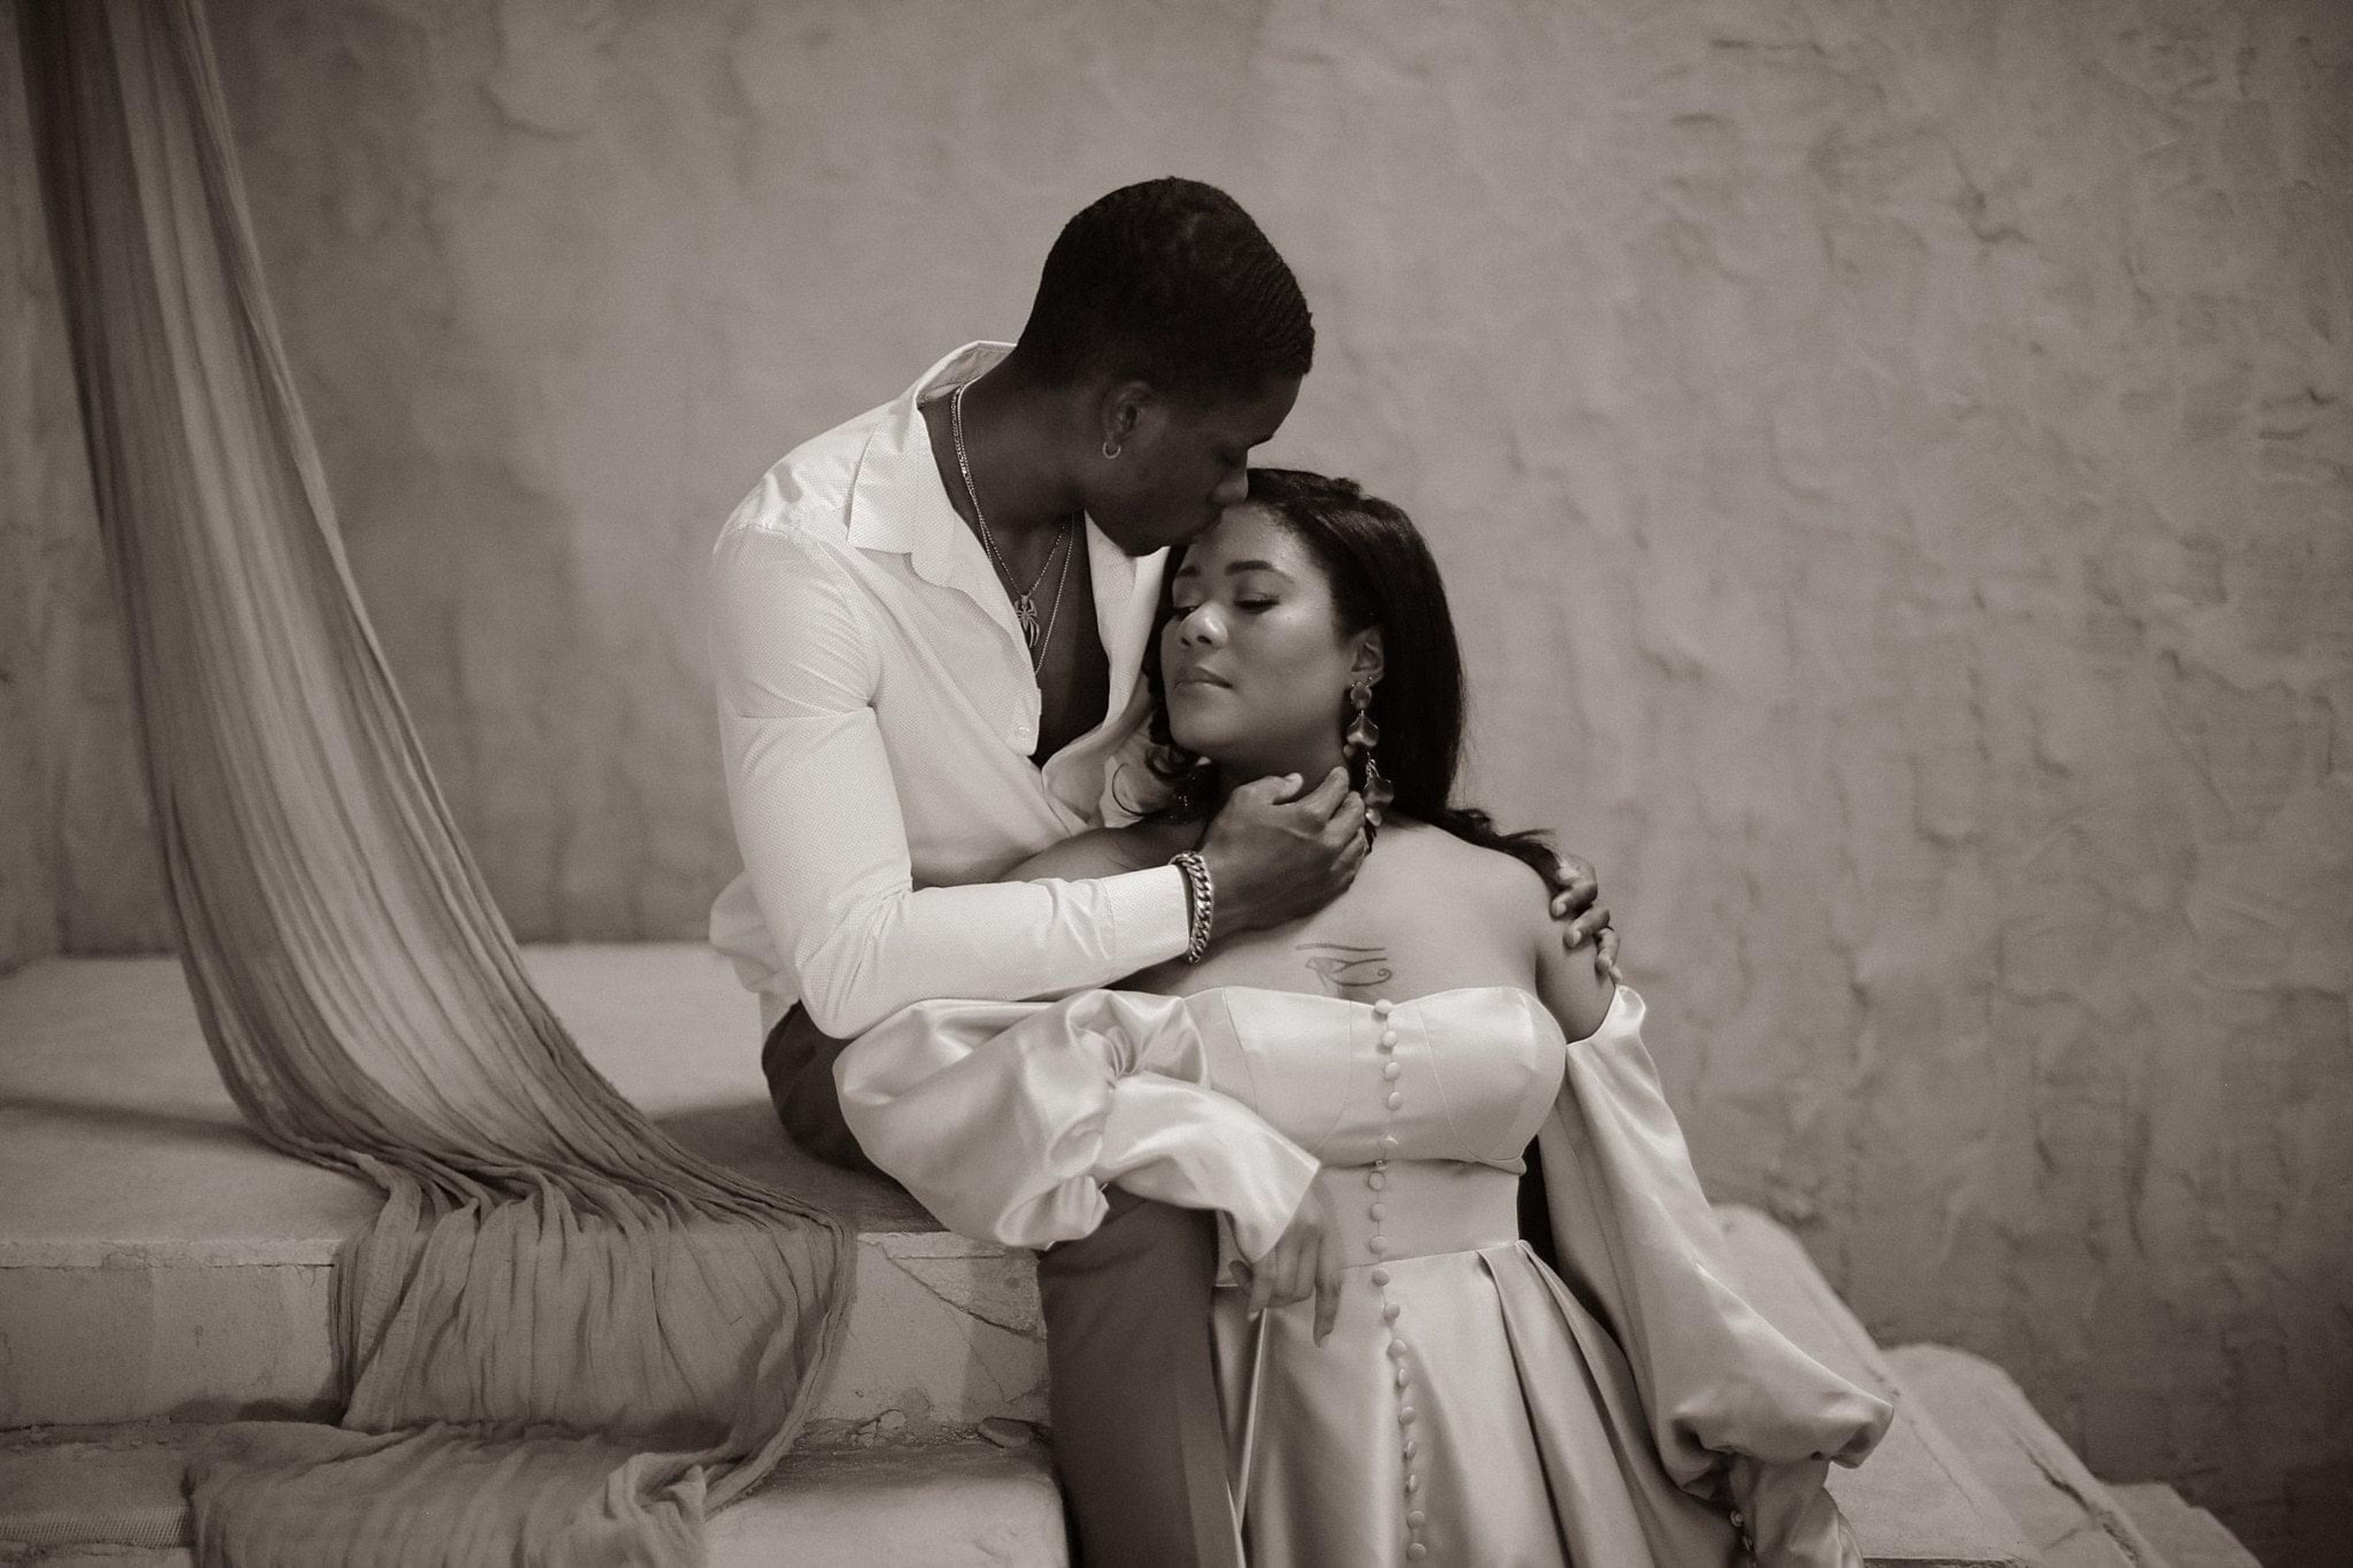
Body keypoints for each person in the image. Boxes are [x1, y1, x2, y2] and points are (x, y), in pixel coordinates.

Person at [709, 181, 1617, 1564]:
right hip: (891, 1022)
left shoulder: (1152, 538)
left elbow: (1305, 671)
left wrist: (1507, 885)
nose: (1236, 487)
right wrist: (1201, 900)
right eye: (1229, 446)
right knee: (1135, 1191)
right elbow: (849, 960)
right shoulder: (804, 558)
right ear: (1125, 414)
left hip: (1121, 949)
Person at [836, 469, 1894, 1566]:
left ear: (1366, 659)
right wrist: (1203, 1140)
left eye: (1252, 601)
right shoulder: (1106, 891)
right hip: (1253, 1429)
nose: (1196, 628)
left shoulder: (1518, 897)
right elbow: (909, 1073)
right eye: (1183, 602)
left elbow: (1648, 1222)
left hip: (1531, 1425)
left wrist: (1765, 1454)